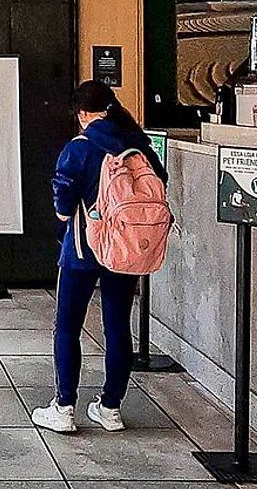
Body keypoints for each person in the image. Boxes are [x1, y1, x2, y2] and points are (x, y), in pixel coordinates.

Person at [32, 79, 166, 436]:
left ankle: (64, 407)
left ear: (81, 114)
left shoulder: (79, 148)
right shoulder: (136, 144)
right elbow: (159, 182)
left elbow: (63, 206)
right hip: (125, 248)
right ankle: (110, 408)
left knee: (67, 326)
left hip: (82, 249)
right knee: (118, 326)